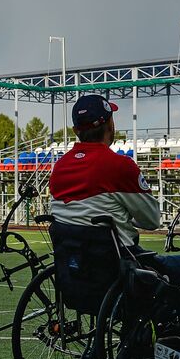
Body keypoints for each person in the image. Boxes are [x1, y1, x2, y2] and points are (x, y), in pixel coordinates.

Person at [48, 95, 160, 249]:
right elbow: (152, 220)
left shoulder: (59, 167)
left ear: (75, 130)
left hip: (70, 264)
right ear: (110, 124)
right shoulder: (120, 165)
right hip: (119, 262)